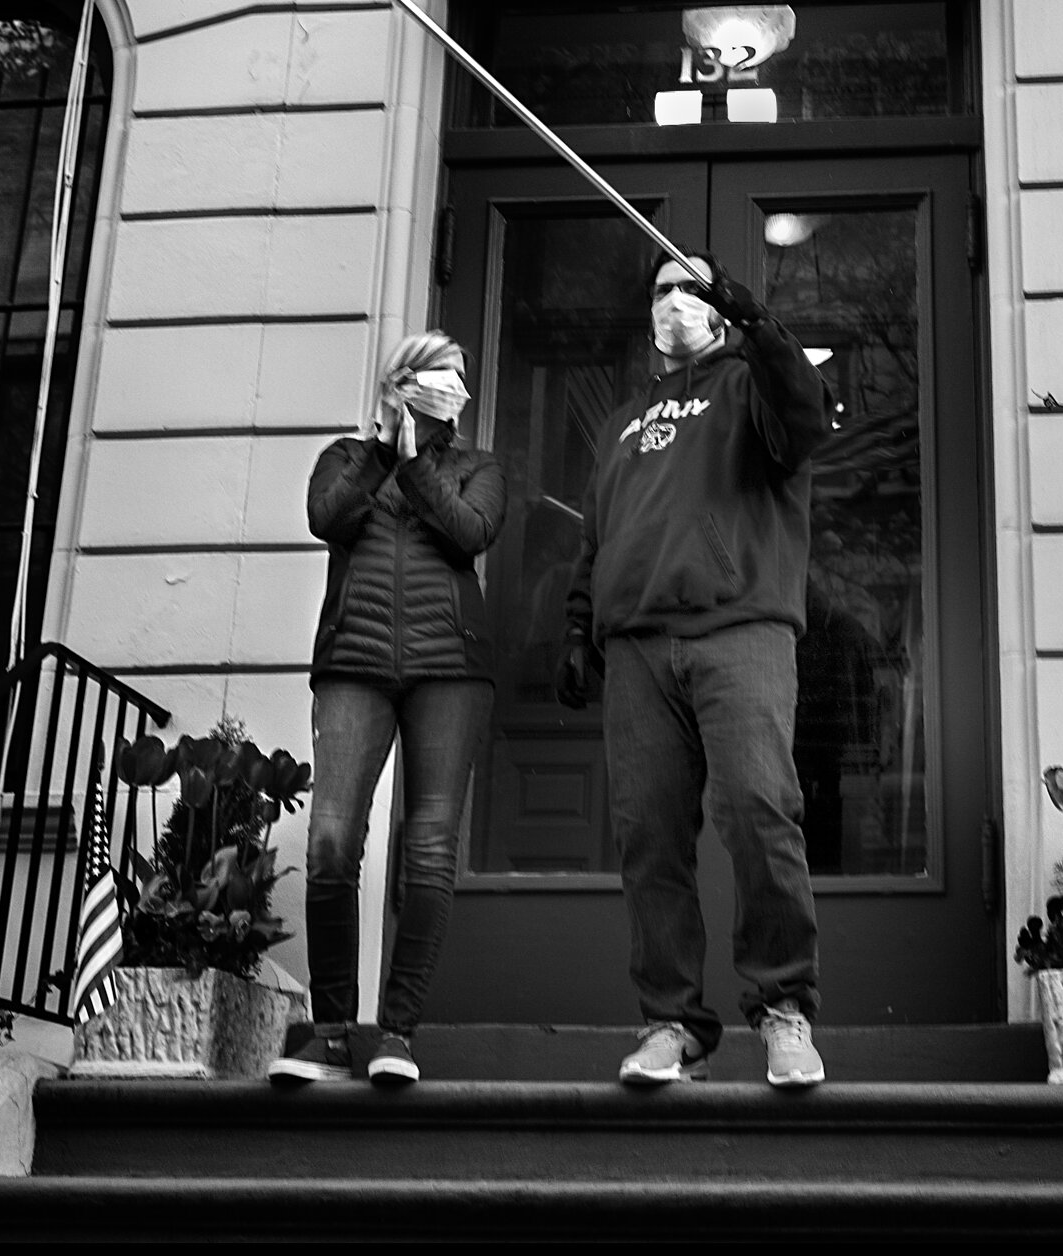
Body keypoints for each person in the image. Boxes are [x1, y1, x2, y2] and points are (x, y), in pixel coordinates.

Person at [555, 250, 833, 1089]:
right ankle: (673, 1024)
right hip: (637, 646)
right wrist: (578, 627)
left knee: (759, 809)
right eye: (663, 290)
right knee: (649, 839)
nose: (675, 302)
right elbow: (597, 535)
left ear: (717, 309)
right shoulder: (623, 423)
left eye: (692, 289)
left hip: (739, 627)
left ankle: (784, 1010)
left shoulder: (752, 387)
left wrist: (762, 329)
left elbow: (808, 420)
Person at [270, 331, 506, 1087]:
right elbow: (326, 518)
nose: (456, 385)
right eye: (443, 372)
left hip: (451, 670)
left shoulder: (477, 468)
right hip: (354, 665)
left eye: (460, 376)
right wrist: (380, 451)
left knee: (431, 847)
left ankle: (397, 1033)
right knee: (334, 838)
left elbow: (471, 531)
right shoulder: (345, 457)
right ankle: (334, 1032)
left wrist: (414, 464)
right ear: (403, 381)